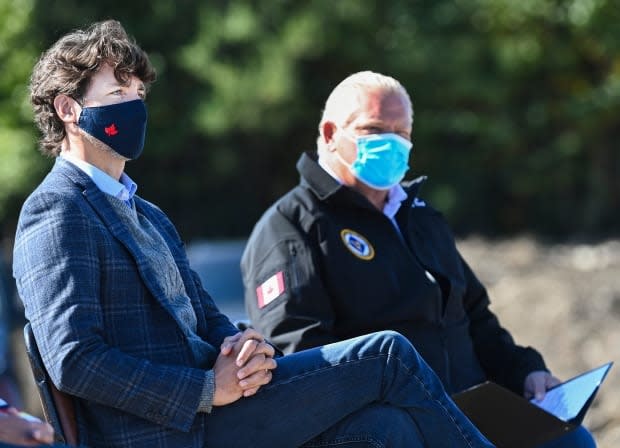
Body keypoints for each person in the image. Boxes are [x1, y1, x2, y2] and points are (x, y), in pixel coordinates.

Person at [12, 21, 493, 448]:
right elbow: (75, 360)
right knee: (386, 353)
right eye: (118, 94)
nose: (135, 106)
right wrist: (206, 390)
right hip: (168, 431)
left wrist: (244, 347)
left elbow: (206, 317)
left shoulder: (147, 213)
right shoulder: (56, 211)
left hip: (223, 410)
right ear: (69, 109)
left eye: (139, 94)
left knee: (389, 428)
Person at [241, 71, 596, 448]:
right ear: (330, 134)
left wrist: (527, 372)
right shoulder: (290, 229)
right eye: (375, 129)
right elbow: (302, 358)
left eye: (402, 134)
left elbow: (475, 318)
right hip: (395, 425)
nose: (391, 144)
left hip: (476, 412)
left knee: (572, 442)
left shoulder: (420, 216)